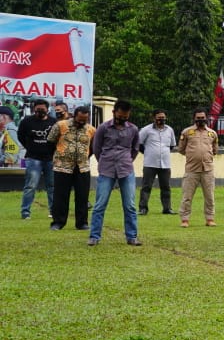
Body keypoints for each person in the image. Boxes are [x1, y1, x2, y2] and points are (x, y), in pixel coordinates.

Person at [88, 100, 141, 246]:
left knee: (130, 205)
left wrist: (127, 160)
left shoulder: (133, 129)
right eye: (120, 116)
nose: (123, 119)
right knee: (100, 204)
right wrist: (104, 161)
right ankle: (94, 236)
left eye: (126, 116)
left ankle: (132, 237)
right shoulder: (103, 128)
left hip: (126, 169)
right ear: (114, 112)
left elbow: (135, 149)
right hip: (106, 170)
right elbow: (96, 148)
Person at [47, 106, 94, 231]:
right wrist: (59, 156)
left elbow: (93, 147)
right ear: (74, 116)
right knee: (60, 195)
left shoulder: (91, 129)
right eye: (79, 119)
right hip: (62, 166)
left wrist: (84, 156)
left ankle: (82, 223)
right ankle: (58, 222)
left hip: (83, 167)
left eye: (84, 120)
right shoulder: (60, 125)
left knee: (82, 196)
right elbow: (50, 142)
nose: (81, 122)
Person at [177, 108, 219, 228]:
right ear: (194, 118)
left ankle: (210, 219)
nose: (201, 120)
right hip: (191, 170)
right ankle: (185, 220)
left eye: (202, 117)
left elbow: (215, 149)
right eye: (198, 118)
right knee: (187, 196)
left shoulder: (212, 133)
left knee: (210, 196)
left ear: (206, 118)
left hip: (208, 170)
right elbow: (181, 149)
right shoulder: (187, 132)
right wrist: (193, 156)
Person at [18, 98, 56, 220]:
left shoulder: (54, 122)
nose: (40, 111)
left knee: (52, 186)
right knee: (30, 186)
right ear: (34, 109)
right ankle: (25, 212)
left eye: (42, 109)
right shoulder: (27, 121)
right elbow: (20, 136)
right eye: (37, 109)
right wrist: (29, 147)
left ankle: (53, 211)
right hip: (33, 158)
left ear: (47, 109)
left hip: (50, 158)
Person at [137, 108, 177, 216]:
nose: (161, 119)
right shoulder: (146, 130)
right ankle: (143, 208)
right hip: (150, 163)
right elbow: (138, 143)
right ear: (153, 118)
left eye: (163, 118)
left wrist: (163, 153)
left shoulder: (170, 130)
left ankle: (167, 208)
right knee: (146, 186)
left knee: (166, 187)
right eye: (159, 117)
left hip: (165, 164)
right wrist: (148, 153)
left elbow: (172, 145)